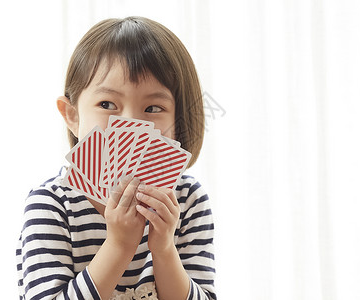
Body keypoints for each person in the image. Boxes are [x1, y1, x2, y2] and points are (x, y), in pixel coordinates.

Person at [16, 16, 216, 300]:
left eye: (153, 107)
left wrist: (165, 250)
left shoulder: (188, 199)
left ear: (179, 121)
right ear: (72, 115)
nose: (130, 123)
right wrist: (119, 245)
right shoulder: (50, 203)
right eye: (107, 104)